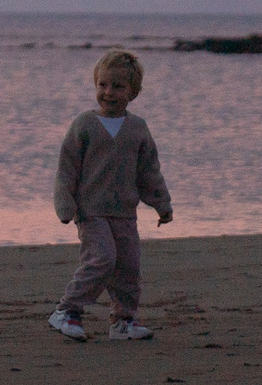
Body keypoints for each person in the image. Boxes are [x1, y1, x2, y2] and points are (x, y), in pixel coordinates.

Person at [48, 49, 173, 342]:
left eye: (118, 86)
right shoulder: (84, 125)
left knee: (128, 268)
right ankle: (67, 311)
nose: (109, 92)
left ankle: (123, 321)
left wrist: (162, 204)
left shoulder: (138, 129)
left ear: (133, 92)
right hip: (91, 211)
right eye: (103, 85)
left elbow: (149, 172)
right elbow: (66, 169)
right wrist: (65, 204)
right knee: (102, 259)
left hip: (125, 213)